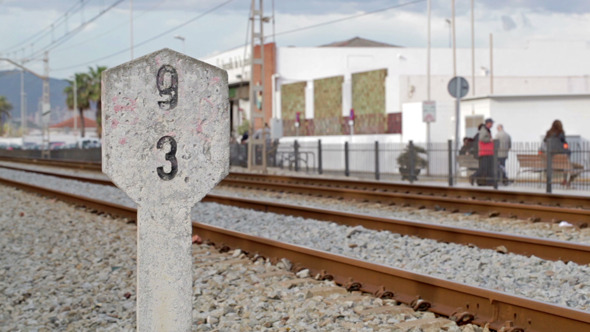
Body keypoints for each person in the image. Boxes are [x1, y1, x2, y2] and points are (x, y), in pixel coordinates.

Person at [542, 120, 583, 187]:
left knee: (565, 164)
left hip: (551, 164)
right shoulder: (561, 134)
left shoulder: (548, 134)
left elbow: (544, 144)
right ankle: (568, 181)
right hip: (563, 163)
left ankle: (565, 181)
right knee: (581, 167)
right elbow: (565, 146)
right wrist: (567, 150)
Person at [470, 118, 495, 186]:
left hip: (488, 152)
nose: (492, 124)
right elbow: (482, 138)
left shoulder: (487, 130)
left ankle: (489, 182)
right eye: (491, 123)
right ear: (488, 123)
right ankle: (473, 176)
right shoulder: (484, 130)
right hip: (485, 152)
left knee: (487, 168)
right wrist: (490, 140)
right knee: (483, 168)